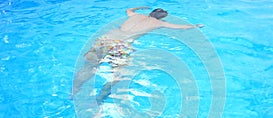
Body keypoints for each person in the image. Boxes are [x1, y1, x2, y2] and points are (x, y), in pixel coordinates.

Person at [72, 7, 204, 103]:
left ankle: (73, 93)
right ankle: (100, 99)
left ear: (150, 13)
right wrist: (196, 26)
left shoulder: (134, 16)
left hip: (105, 39)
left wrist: (140, 7)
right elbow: (181, 27)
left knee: (88, 68)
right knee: (119, 75)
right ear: (162, 17)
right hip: (121, 45)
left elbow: (129, 9)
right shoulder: (160, 23)